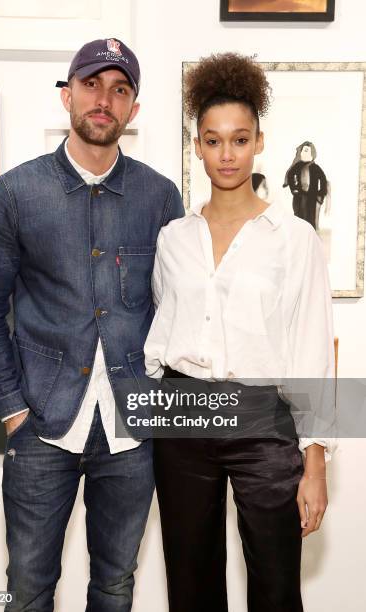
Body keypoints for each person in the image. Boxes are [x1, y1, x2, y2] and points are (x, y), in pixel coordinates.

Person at [0, 37, 184, 612]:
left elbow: (174, 311)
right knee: (29, 587)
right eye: (91, 85)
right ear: (67, 96)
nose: (103, 100)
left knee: (115, 586)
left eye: (119, 90)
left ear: (133, 110)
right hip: (40, 425)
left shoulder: (161, 199)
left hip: (131, 433)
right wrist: (13, 411)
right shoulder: (14, 193)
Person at [144, 52, 335, 612]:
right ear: (197, 146)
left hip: (262, 418)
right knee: (191, 582)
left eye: (239, 138)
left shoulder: (293, 237)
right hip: (183, 414)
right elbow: (167, 317)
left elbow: (311, 347)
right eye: (212, 140)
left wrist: (316, 460)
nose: (226, 153)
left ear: (258, 142)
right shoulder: (173, 237)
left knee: (276, 586)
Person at [283, 140, 328, 230]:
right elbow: (290, 176)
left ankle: (310, 235)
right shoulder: (297, 166)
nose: (304, 153)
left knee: (310, 217)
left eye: (307, 151)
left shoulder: (316, 168)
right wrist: (293, 188)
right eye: (303, 151)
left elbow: (323, 180)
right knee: (299, 215)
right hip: (299, 195)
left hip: (312, 196)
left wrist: (321, 193)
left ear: (312, 153)